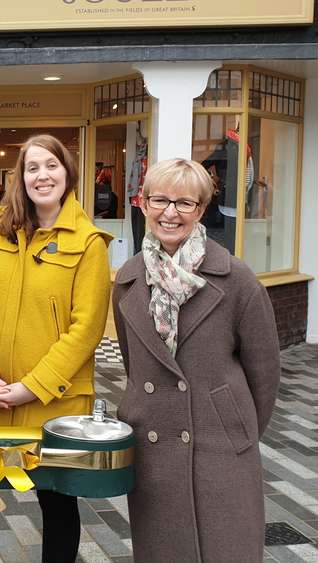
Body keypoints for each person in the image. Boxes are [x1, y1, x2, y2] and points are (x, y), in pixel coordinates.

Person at [112, 158, 280, 562]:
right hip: (155, 445)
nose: (171, 212)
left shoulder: (236, 278)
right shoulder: (127, 280)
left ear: (201, 210)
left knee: (226, 549)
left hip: (220, 447)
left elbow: (265, 373)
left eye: (185, 203)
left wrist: (232, 422)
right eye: (160, 200)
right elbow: (135, 364)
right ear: (144, 204)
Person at [0, 134, 112, 562]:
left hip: (54, 404)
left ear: (68, 173)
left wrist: (32, 387)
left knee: (58, 503)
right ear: (20, 178)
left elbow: (86, 331)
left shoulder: (89, 243)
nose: (42, 175)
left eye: (51, 165)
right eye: (32, 168)